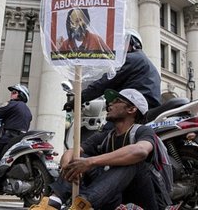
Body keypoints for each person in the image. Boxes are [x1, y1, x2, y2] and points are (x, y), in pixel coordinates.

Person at [30, 88, 158, 210]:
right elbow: (72, 151)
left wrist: (91, 162)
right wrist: (67, 164)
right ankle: (53, 203)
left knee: (131, 161)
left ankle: (83, 205)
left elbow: (140, 151)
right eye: (110, 102)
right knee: (79, 159)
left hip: (139, 200)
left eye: (117, 101)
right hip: (112, 197)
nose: (110, 105)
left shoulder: (143, 130)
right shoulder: (106, 136)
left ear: (131, 109)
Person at [64, 29, 161, 128]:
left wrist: (80, 98)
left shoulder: (131, 59)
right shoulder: (144, 62)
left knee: (104, 136)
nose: (118, 48)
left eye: (122, 44)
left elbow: (105, 82)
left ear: (133, 43)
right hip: (144, 110)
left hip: (133, 110)